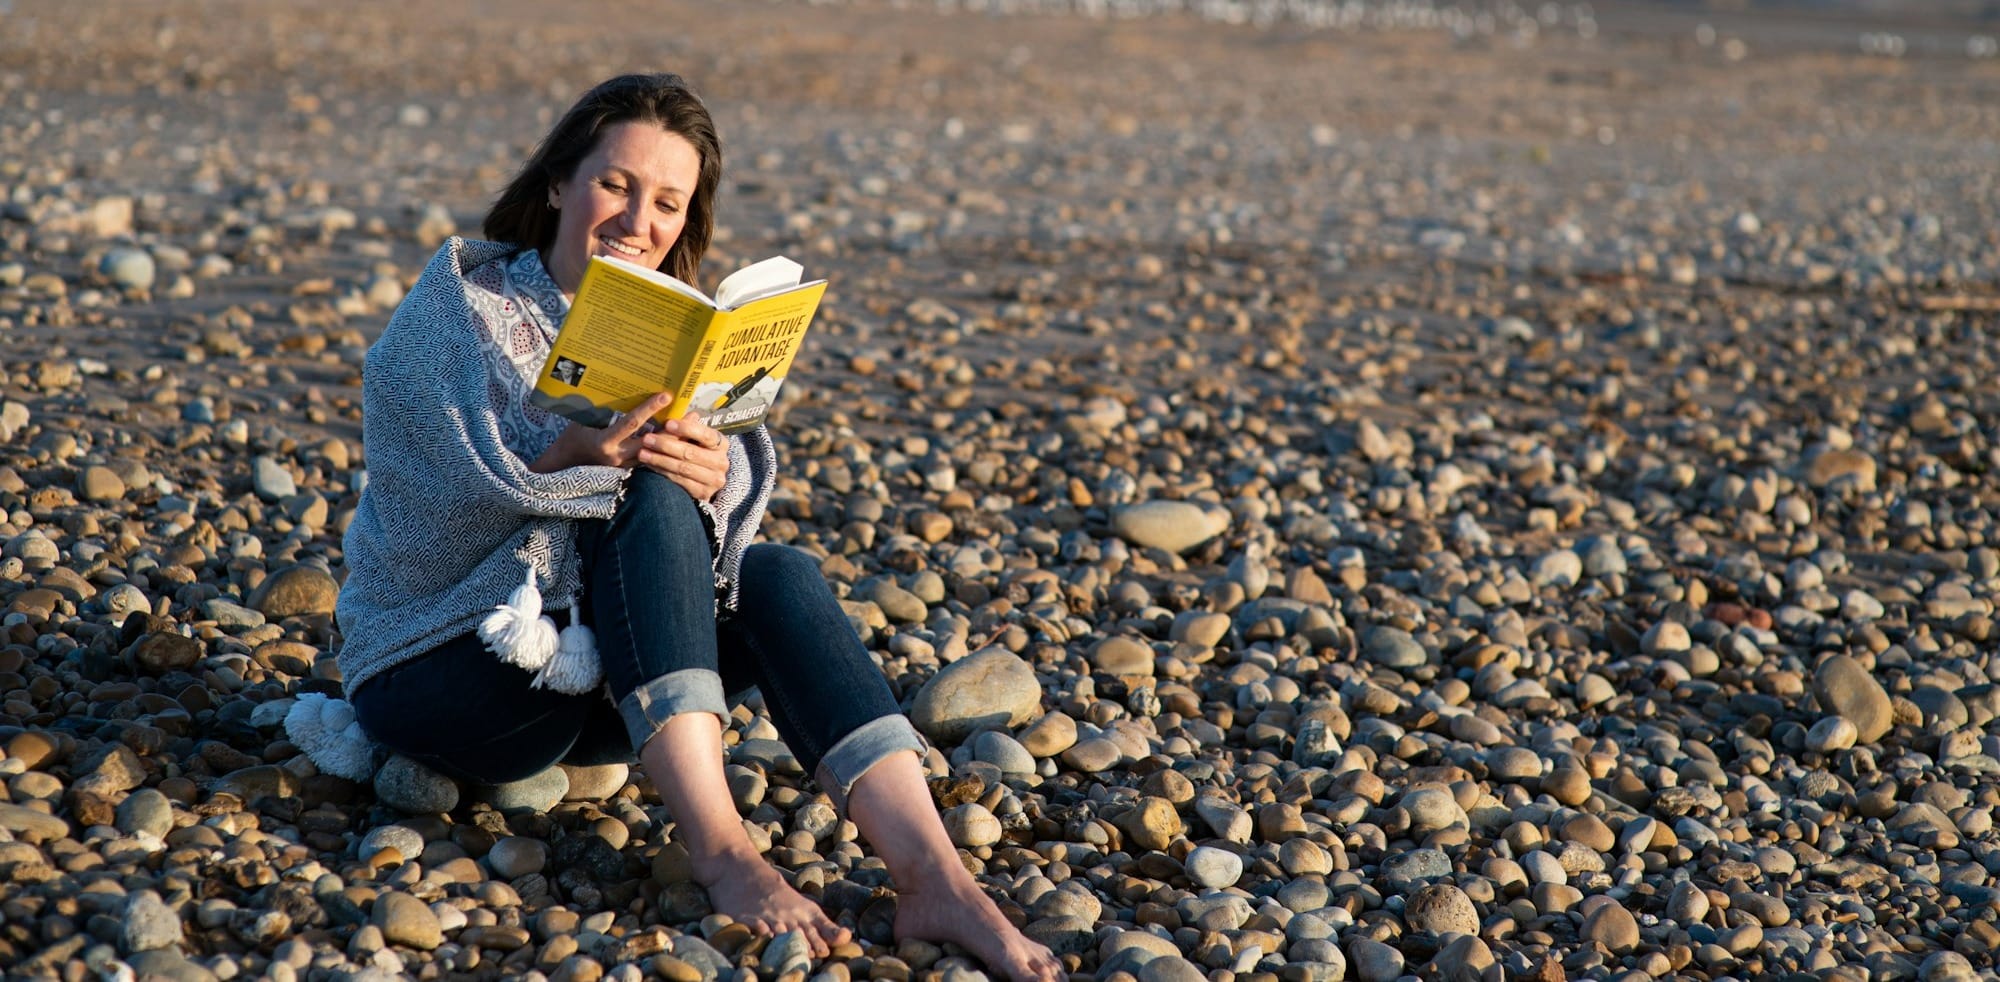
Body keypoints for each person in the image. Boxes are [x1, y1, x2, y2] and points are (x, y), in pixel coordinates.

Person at [330, 73, 1061, 982]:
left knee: (778, 572)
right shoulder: (452, 311)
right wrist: (575, 457)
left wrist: (713, 477)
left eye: (667, 203)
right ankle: (725, 856)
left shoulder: (674, 331)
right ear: (558, 182)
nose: (639, 222)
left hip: (595, 683)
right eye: (615, 185)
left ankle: (936, 877)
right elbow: (421, 512)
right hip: (440, 669)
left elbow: (708, 544)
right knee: (645, 495)